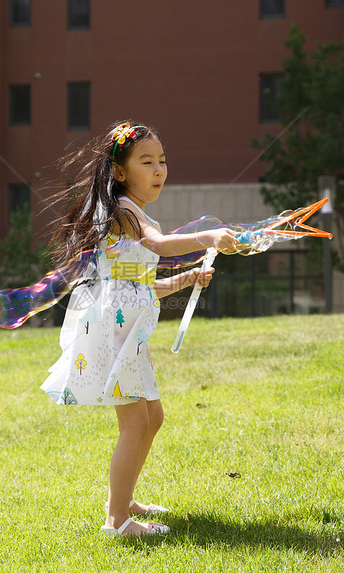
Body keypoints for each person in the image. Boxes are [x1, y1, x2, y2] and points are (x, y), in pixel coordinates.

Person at [40, 121, 240, 538]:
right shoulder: (125, 210)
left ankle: (125, 498)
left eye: (162, 161)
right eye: (147, 161)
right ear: (119, 172)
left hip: (127, 330)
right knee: (135, 423)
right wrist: (210, 236)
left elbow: (139, 284)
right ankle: (117, 521)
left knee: (152, 417)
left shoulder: (135, 212)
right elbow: (160, 247)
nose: (159, 169)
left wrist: (184, 280)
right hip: (115, 331)